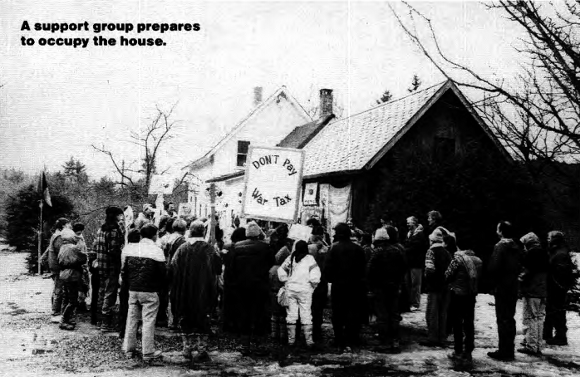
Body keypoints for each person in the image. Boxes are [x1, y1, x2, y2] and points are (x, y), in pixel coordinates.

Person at [170, 220, 218, 362]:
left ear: (190, 231)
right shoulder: (209, 248)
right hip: (204, 290)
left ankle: (187, 348)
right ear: (203, 232)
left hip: (185, 290)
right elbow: (218, 266)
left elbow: (173, 266)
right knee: (203, 319)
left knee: (186, 318)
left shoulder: (182, 248)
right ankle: (202, 349)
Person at [121, 224, 166, 362]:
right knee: (148, 321)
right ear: (155, 235)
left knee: (132, 319)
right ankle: (148, 352)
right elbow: (163, 273)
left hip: (133, 289)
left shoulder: (130, 248)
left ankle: (129, 349)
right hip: (150, 291)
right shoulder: (157, 251)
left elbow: (124, 271)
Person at [229, 221, 274, 353]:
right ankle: (259, 344)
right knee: (260, 313)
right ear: (258, 234)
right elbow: (271, 264)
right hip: (260, 285)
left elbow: (231, 269)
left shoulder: (236, 247)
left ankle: (245, 344)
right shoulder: (265, 247)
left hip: (241, 286)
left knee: (244, 314)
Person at [324, 222, 366, 353]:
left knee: (338, 313)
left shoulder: (334, 248)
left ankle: (339, 339)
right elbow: (363, 269)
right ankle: (353, 338)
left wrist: (331, 279)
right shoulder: (358, 249)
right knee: (353, 312)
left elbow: (327, 269)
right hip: (355, 286)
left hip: (339, 285)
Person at [368, 227, 407, 353]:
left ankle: (384, 342)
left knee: (382, 315)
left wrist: (370, 287)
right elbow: (404, 268)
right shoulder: (397, 251)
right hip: (394, 286)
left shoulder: (377, 252)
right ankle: (395, 340)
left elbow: (370, 270)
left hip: (380, 288)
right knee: (394, 314)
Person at [487, 221, 521, 361]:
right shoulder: (516, 246)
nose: (496, 231)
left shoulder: (500, 247)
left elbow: (494, 267)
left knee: (502, 318)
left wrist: (491, 282)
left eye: (497, 229)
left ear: (501, 231)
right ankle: (509, 349)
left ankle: (503, 350)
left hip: (502, 286)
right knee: (510, 318)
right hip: (513, 285)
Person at [278, 240, 321, 349]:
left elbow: (281, 270)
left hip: (291, 289)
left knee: (291, 315)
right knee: (306, 314)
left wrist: (286, 281)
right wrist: (312, 286)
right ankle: (309, 341)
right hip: (305, 290)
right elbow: (315, 276)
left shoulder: (291, 258)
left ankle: (291, 341)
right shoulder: (310, 259)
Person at [445, 247, 482, 364]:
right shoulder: (478, 261)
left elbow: (448, 275)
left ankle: (458, 350)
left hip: (458, 294)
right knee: (469, 323)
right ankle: (468, 351)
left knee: (457, 323)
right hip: (471, 295)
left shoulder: (457, 260)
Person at [94, 206, 126, 332]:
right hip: (111, 265)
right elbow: (114, 250)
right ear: (115, 216)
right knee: (110, 293)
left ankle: (99, 320)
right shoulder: (113, 230)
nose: (121, 217)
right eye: (120, 215)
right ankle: (105, 323)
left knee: (102, 292)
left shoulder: (101, 229)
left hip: (101, 264)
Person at [517, 232, 548, 356]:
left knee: (530, 318)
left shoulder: (531, 254)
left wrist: (519, 281)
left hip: (532, 290)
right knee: (540, 318)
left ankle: (531, 345)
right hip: (543, 291)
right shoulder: (544, 253)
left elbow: (527, 272)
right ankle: (539, 344)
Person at [421, 226, 452, 347]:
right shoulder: (447, 252)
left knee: (432, 312)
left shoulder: (431, 251)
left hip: (434, 286)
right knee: (443, 312)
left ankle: (433, 337)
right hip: (446, 286)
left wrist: (428, 282)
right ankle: (442, 337)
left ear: (432, 240)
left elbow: (429, 269)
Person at [544, 231, 575, 346]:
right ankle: (547, 333)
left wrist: (558, 286)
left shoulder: (560, 254)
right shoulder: (556, 251)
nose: (547, 240)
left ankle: (561, 336)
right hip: (554, 286)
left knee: (558, 311)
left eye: (549, 238)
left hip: (557, 288)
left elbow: (560, 274)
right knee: (551, 310)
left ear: (555, 239)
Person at [40, 217, 70, 323]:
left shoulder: (55, 235)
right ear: (63, 226)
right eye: (68, 224)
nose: (69, 226)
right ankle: (56, 311)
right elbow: (60, 252)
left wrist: (43, 258)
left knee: (57, 288)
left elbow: (49, 249)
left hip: (54, 266)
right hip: (58, 267)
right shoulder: (59, 236)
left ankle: (56, 310)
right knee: (59, 289)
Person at [57, 229, 88, 330]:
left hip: (64, 275)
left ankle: (68, 319)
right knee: (73, 301)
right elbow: (84, 258)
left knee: (67, 298)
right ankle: (64, 320)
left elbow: (59, 260)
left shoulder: (62, 247)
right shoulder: (74, 248)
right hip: (72, 275)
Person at [222, 227, 247, 334]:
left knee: (228, 303)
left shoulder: (227, 247)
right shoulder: (243, 249)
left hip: (228, 278)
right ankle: (237, 325)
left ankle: (227, 324)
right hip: (240, 279)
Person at [118, 229, 141, 339]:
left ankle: (122, 329)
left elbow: (122, 265)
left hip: (124, 279)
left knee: (124, 306)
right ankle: (134, 330)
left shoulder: (126, 249)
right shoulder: (140, 249)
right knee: (135, 307)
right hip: (135, 280)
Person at [309, 231, 329, 343]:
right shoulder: (326, 252)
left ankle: (309, 332)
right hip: (321, 283)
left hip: (310, 283)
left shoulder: (309, 251)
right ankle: (317, 332)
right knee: (318, 310)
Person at [405, 216, 428, 312]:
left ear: (414, 223)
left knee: (416, 284)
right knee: (408, 283)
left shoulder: (420, 234)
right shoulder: (409, 233)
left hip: (416, 263)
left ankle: (415, 303)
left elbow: (417, 248)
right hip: (409, 262)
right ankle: (410, 302)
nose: (407, 224)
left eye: (408, 222)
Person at [269, 245, 291, 344]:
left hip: (273, 294)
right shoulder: (287, 269)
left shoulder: (272, 269)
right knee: (283, 316)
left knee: (274, 315)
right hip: (284, 294)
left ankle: (274, 334)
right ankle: (283, 335)